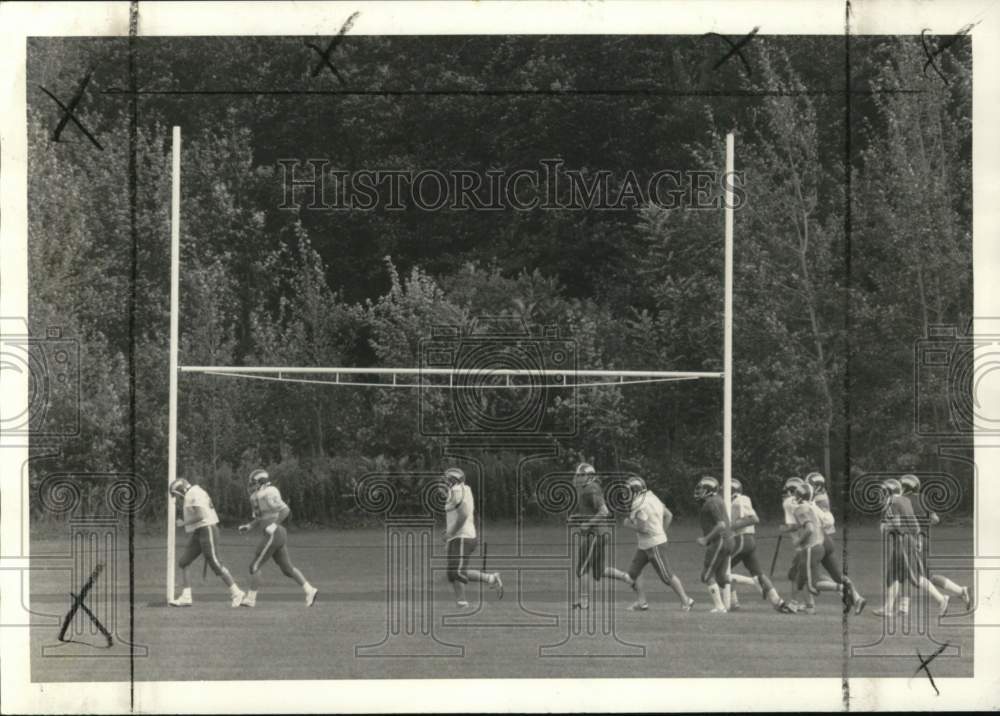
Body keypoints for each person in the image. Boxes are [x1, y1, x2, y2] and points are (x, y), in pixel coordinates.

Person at [237, 469, 318, 608]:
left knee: (254, 566)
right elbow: (259, 518)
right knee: (287, 569)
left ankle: (250, 599)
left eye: (254, 483)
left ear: (261, 482)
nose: (251, 485)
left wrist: (274, 525)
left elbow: (285, 510)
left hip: (274, 533)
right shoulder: (255, 496)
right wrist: (249, 526)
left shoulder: (270, 491)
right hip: (274, 534)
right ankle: (310, 590)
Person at [873, 477, 951, 618]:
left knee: (915, 578)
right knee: (893, 575)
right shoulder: (905, 501)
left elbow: (896, 524)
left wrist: (885, 527)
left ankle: (941, 599)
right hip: (908, 540)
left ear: (890, 491)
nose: (882, 494)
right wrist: (918, 539)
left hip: (902, 541)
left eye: (884, 491)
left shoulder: (893, 503)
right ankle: (888, 608)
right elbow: (914, 523)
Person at [620, 475, 694, 612]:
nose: (626, 494)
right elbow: (669, 515)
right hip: (646, 544)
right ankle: (641, 602)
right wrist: (662, 532)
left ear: (636, 491)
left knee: (666, 576)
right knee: (633, 574)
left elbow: (642, 528)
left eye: (629, 491)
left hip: (653, 545)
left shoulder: (639, 504)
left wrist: (628, 524)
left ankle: (686, 600)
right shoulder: (652, 497)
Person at [167, 478, 245, 608]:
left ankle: (237, 592)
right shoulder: (196, 490)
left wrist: (184, 523)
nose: (177, 498)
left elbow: (201, 515)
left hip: (207, 528)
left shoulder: (192, 494)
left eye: (176, 494)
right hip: (200, 530)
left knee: (215, 563)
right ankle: (186, 596)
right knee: (184, 562)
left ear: (180, 490)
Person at [570, 462, 633, 609]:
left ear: (589, 476)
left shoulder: (591, 489)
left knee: (582, 569)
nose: (578, 477)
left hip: (595, 534)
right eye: (578, 475)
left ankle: (583, 602)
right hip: (600, 533)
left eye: (581, 475)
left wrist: (587, 524)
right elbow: (591, 511)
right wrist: (577, 518)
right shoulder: (588, 488)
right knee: (599, 571)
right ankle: (627, 578)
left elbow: (604, 511)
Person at [727, 478, 796, 614]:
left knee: (721, 568)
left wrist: (731, 527)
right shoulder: (736, 501)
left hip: (742, 539)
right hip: (748, 540)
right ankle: (778, 602)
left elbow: (753, 518)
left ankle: (734, 601)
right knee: (758, 573)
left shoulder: (739, 500)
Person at [440, 467, 503, 609]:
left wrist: (451, 533)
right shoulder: (463, 489)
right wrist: (450, 533)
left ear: (453, 480)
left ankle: (462, 603)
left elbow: (463, 515)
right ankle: (491, 579)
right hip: (461, 535)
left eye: (446, 479)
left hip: (461, 536)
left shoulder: (456, 491)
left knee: (456, 571)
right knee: (454, 571)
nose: (443, 482)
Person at [806, 472, 866, 614]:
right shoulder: (823, 496)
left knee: (807, 573)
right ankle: (856, 597)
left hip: (818, 539)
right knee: (837, 575)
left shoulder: (814, 500)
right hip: (827, 539)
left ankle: (808, 604)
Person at [694, 475, 734, 613]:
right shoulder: (717, 500)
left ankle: (720, 607)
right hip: (728, 540)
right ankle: (755, 581)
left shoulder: (711, 503)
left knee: (706, 576)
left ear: (709, 490)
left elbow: (721, 525)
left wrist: (706, 539)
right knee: (722, 578)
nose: (698, 492)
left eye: (701, 489)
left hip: (720, 541)